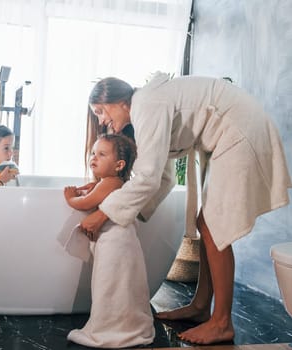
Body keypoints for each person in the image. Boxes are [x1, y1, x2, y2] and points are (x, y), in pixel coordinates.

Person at [80, 73, 292, 345]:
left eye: (100, 112)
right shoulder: (147, 106)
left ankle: (222, 322)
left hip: (240, 127)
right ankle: (202, 306)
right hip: (234, 128)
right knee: (208, 222)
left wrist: (104, 213)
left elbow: (148, 178)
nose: (101, 121)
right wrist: (129, 212)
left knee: (213, 224)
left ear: (119, 101)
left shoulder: (146, 104)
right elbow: (164, 177)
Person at [64, 133, 156, 348]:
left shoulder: (110, 182)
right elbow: (97, 194)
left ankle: (112, 326)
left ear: (119, 165)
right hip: (121, 244)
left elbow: (85, 203)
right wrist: (93, 187)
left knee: (110, 285)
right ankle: (124, 322)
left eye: (102, 154)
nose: (93, 158)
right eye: (93, 153)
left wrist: (70, 197)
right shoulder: (114, 182)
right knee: (119, 286)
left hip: (116, 245)